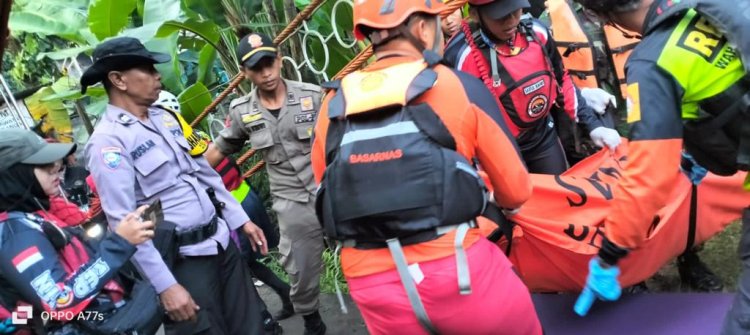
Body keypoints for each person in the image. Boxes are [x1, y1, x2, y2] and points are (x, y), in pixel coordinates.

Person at [311, 0, 542, 333]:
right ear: (422, 27)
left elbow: (325, 185)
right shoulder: (455, 85)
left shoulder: (332, 103)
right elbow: (517, 191)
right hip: (458, 272)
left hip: (371, 284)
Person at [569, 0, 749, 331]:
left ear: (601, 17)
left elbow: (648, 178)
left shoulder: (653, 61)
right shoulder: (715, 6)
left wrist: (609, 256)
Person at [83, 37, 269, 335]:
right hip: (183, 263)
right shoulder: (109, 143)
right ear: (118, 79)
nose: (158, 76)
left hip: (221, 243)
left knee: (253, 328)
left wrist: (240, 219)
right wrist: (166, 286)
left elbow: (204, 173)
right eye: (147, 69)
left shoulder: (166, 119)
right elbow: (125, 223)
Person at [542, 0, 723, 291]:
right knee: (617, 199)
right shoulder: (551, 18)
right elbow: (549, 73)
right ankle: (628, 270)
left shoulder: (644, 6)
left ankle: (689, 257)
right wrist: (583, 98)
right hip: (600, 125)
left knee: (680, 192)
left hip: (650, 112)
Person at [204, 33, 327, 334]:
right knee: (298, 268)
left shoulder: (313, 95)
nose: (266, 73)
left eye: (269, 63)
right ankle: (313, 321)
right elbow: (218, 151)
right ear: (245, 73)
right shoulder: (243, 111)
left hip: (329, 190)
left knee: (365, 246)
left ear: (280, 60)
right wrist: (184, 178)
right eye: (257, 68)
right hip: (290, 202)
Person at [153, 90, 294, 323]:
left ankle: (276, 306)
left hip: (230, 207)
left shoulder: (177, 147)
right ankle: (283, 298)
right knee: (255, 256)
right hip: (245, 196)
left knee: (242, 261)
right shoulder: (196, 137)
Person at [0, 128, 156, 334]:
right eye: (45, 165)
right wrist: (120, 243)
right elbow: (59, 302)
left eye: (55, 162)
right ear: (15, 174)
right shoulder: (16, 232)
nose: (56, 168)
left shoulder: (31, 216)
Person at [444, 0, 621, 174]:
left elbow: (561, 79)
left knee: (557, 194)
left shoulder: (537, 32)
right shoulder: (460, 55)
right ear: (475, 14)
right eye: (501, 16)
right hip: (498, 150)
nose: (512, 20)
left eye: (516, 10)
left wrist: (593, 125)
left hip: (543, 137)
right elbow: (456, 119)